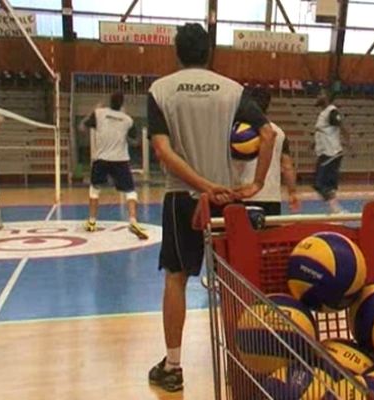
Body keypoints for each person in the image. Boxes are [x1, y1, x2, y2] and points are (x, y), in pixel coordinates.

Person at [147, 23, 275, 392]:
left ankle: (173, 367)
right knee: (234, 283)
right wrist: (253, 184)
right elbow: (266, 135)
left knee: (176, 278)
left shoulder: (160, 90)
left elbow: (162, 151)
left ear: (177, 53)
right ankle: (252, 361)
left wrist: (201, 186)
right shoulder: (232, 90)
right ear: (209, 53)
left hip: (182, 199)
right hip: (227, 202)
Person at [79, 91, 148, 240]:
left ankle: (91, 222)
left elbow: (82, 128)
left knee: (95, 188)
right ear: (122, 104)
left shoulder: (99, 113)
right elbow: (135, 141)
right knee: (130, 191)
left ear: (109, 102)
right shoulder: (128, 120)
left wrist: (92, 111)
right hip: (120, 160)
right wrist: (122, 136)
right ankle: (133, 220)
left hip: (101, 159)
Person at [233, 87, 300, 216]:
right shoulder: (278, 132)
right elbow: (287, 167)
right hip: (271, 197)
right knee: (270, 236)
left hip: (242, 194)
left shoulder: (235, 130)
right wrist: (292, 192)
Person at [313, 89, 349, 214]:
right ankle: (335, 209)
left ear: (327, 97)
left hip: (331, 152)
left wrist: (348, 141)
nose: (317, 96)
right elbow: (322, 132)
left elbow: (342, 126)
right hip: (325, 152)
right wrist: (313, 144)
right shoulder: (323, 113)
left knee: (319, 183)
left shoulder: (331, 111)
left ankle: (336, 209)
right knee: (327, 183)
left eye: (320, 94)